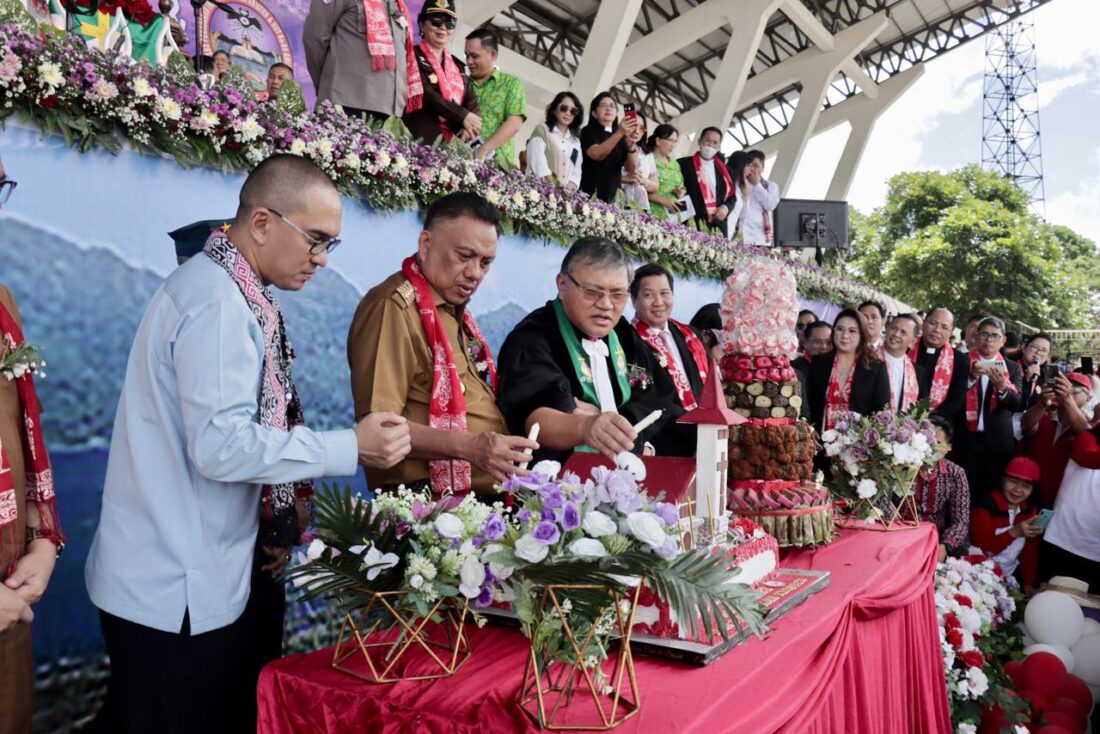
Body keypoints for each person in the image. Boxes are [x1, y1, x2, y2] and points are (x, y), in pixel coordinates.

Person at [84, 155, 412, 733]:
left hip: (186, 573)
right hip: (173, 587)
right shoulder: (216, 301)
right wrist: (349, 448)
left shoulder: (233, 288)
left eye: (332, 244)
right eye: (315, 240)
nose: (322, 259)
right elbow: (221, 445)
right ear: (262, 223)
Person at [347, 192, 537, 496]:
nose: (475, 273)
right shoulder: (394, 307)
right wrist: (469, 447)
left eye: (485, 262)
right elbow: (380, 430)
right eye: (464, 256)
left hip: (481, 500)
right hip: (425, 503)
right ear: (426, 244)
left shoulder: (452, 311)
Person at [496, 237, 681, 463]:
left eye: (617, 294)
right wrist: (587, 426)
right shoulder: (533, 337)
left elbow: (658, 400)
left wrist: (610, 421)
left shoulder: (622, 333)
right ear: (562, 284)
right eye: (593, 292)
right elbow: (536, 417)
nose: (606, 305)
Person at [629, 263, 709, 455]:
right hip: (662, 444)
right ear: (633, 299)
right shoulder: (628, 341)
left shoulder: (691, 335)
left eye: (665, 293)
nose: (659, 302)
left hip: (704, 439)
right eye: (648, 295)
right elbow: (644, 394)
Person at [304, 0, 421, 121]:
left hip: (389, 114)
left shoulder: (397, 4)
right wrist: (325, 83)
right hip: (344, 105)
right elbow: (314, 39)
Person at [953, 316, 1023, 497]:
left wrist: (1002, 388)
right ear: (975, 337)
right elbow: (951, 397)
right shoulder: (961, 361)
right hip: (964, 440)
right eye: (984, 334)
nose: (989, 340)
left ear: (1003, 341)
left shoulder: (1012, 368)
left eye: (994, 336)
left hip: (997, 443)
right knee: (961, 493)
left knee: (990, 495)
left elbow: (1017, 404)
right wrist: (970, 378)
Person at [402, 1, 481, 145]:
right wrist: (462, 116)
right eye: (436, 21)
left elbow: (472, 100)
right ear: (421, 24)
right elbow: (427, 93)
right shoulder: (411, 55)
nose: (443, 28)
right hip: (416, 138)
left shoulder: (457, 66)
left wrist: (469, 125)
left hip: (448, 143)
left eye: (449, 23)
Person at [806, 308, 890, 434]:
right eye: (840, 329)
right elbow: (808, 402)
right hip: (819, 443)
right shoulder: (819, 362)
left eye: (852, 331)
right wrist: (810, 429)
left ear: (862, 335)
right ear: (833, 332)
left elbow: (881, 412)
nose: (845, 336)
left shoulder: (876, 368)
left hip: (857, 448)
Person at [1021, 372, 1095, 507]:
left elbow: (1086, 436)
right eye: (1062, 388)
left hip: (1064, 497)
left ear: (1088, 399)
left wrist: (1067, 400)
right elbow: (1026, 426)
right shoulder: (1045, 414)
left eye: (1075, 391)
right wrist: (1043, 403)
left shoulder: (1092, 425)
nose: (1067, 393)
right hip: (1028, 489)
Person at [1042, 424, 1100, 593]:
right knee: (1048, 597)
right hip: (1061, 537)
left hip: (1094, 551)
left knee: (1088, 611)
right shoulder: (1087, 437)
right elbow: (1086, 457)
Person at [970, 457, 1042, 591]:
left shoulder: (1029, 511)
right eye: (1013, 482)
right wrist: (1014, 532)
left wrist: (1028, 582)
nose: (1018, 490)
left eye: (1026, 486)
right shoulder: (984, 507)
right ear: (1003, 479)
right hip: (977, 574)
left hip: (1009, 576)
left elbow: (1029, 550)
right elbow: (984, 547)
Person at [909, 416, 970, 561]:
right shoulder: (901, 465)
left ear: (948, 447)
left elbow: (961, 521)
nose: (931, 447)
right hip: (900, 534)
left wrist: (945, 546)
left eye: (937, 443)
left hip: (936, 539)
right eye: (927, 441)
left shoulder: (956, 473)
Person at [464, 29, 526, 168]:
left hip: (497, 168)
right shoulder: (461, 82)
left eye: (474, 56)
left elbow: (515, 123)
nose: (469, 61)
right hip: (461, 162)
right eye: (467, 56)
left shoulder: (510, 83)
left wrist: (484, 149)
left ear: (492, 55)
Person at [910, 307, 970, 424]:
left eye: (944, 327)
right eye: (933, 323)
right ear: (924, 323)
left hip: (937, 423)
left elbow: (956, 400)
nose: (937, 330)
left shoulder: (960, 360)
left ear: (951, 332)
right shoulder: (907, 347)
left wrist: (930, 421)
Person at [579, 93, 640, 202]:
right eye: (603, 105)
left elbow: (630, 169)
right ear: (594, 113)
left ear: (616, 113)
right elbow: (596, 154)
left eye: (612, 106)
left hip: (613, 198)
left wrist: (631, 145)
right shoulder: (588, 131)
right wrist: (620, 132)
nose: (608, 109)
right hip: (588, 195)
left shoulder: (621, 136)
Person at [677, 126, 736, 236]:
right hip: (690, 224)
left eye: (715, 143)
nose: (711, 145)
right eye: (707, 140)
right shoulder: (683, 164)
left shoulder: (726, 172)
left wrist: (725, 208)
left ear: (719, 146)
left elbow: (732, 197)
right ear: (699, 141)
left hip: (717, 226)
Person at [526, 92, 583, 193]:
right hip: (537, 192)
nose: (568, 113)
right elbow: (539, 165)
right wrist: (555, 190)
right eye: (564, 108)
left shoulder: (575, 141)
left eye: (573, 111)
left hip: (562, 199)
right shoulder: (541, 131)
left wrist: (566, 192)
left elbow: (576, 172)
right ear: (554, 109)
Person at [734, 149, 780, 246]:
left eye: (756, 165)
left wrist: (757, 185)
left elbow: (770, 205)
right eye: (750, 165)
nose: (752, 169)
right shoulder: (738, 183)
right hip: (740, 236)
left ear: (762, 168)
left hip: (760, 238)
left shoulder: (771, 186)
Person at [881, 313, 925, 413]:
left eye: (903, 332)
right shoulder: (868, 359)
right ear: (887, 330)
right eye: (894, 328)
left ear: (912, 342)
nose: (896, 334)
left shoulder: (918, 373)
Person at [646, 124, 687, 220]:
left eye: (675, 141)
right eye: (670, 140)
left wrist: (679, 192)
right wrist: (662, 200)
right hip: (647, 213)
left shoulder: (675, 164)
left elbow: (682, 189)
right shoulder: (647, 159)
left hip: (670, 219)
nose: (673, 145)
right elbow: (637, 187)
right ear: (658, 140)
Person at [621, 113, 658, 210]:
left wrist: (642, 180)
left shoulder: (647, 154)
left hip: (639, 207)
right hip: (615, 199)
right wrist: (625, 178)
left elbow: (655, 186)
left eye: (641, 128)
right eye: (633, 125)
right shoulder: (614, 145)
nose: (637, 131)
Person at [1016, 332, 1053, 410]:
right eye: (1035, 347)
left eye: (1044, 350)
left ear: (1047, 357)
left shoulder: (1046, 375)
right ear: (1023, 348)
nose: (1038, 352)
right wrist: (1026, 380)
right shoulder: (1010, 367)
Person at [792, 320, 831, 386]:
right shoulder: (795, 369)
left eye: (829, 343)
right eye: (818, 342)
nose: (824, 347)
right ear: (805, 343)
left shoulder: (835, 369)